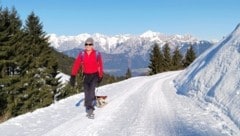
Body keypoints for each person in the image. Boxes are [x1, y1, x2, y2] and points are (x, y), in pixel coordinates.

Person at [70, 37, 103, 119]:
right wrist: (73, 75)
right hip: (86, 76)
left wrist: (100, 75)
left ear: (92, 45)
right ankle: (93, 100)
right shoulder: (82, 54)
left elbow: (100, 65)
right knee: (86, 92)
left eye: (90, 44)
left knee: (91, 91)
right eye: (86, 44)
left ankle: (90, 110)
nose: (88, 46)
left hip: (94, 75)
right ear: (85, 45)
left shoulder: (97, 54)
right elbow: (76, 64)